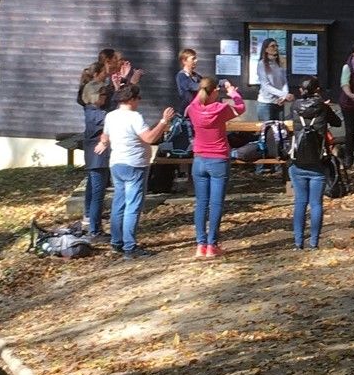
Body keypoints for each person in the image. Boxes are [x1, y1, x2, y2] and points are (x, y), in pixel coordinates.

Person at [96, 83, 174, 259]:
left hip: (116, 163)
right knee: (133, 206)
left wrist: (103, 143)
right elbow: (150, 138)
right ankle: (130, 246)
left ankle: (117, 242)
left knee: (119, 203)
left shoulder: (111, 116)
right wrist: (163, 122)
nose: (139, 101)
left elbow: (105, 135)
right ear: (131, 99)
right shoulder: (134, 117)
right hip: (135, 164)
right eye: (138, 98)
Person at [185, 75, 245, 258]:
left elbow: (198, 99)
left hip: (199, 159)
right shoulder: (220, 109)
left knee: (201, 203)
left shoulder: (193, 108)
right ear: (214, 92)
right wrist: (233, 92)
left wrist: (208, 89)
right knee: (216, 203)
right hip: (218, 159)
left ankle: (200, 244)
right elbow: (241, 108)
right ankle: (212, 245)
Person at [286, 76, 341, 250]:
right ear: (317, 90)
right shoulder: (323, 107)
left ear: (302, 90)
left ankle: (297, 242)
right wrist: (325, 105)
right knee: (316, 203)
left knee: (300, 202)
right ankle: (314, 243)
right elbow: (337, 122)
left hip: (298, 161)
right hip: (318, 161)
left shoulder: (295, 106)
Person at [80, 81, 111, 242]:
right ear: (94, 96)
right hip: (97, 158)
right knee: (98, 194)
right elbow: (111, 119)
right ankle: (95, 230)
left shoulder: (92, 111)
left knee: (93, 192)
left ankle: (93, 225)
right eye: (103, 95)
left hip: (95, 158)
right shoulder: (94, 113)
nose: (105, 98)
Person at [255, 38, 291, 121]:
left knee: (279, 130)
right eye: (272, 46)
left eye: (276, 46)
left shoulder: (279, 63)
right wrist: (283, 94)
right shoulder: (262, 64)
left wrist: (284, 96)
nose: (275, 48)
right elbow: (266, 85)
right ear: (266, 49)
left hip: (279, 102)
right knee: (268, 131)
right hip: (266, 103)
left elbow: (284, 81)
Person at [175, 48, 203, 114]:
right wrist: (207, 85)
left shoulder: (197, 76)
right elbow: (193, 86)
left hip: (197, 112)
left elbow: (206, 83)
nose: (196, 60)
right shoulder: (181, 76)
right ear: (184, 61)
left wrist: (220, 83)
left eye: (196, 58)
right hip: (186, 115)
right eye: (193, 59)